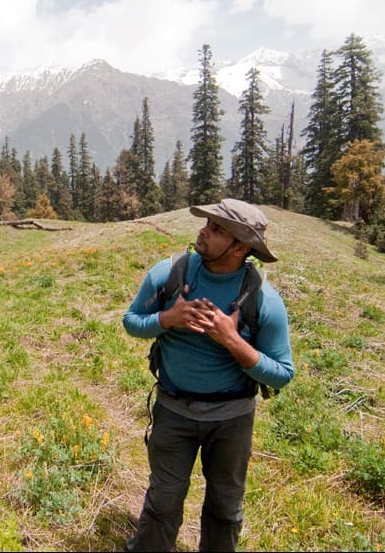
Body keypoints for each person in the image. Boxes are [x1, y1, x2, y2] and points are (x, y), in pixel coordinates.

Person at [123, 199, 294, 552]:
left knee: (225, 507)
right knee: (163, 500)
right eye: (207, 224)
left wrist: (232, 341)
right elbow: (131, 321)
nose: (204, 231)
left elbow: (282, 375)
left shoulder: (264, 300)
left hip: (232, 421)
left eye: (218, 229)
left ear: (241, 247)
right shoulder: (169, 274)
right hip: (173, 411)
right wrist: (168, 319)